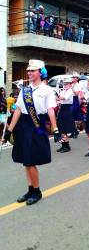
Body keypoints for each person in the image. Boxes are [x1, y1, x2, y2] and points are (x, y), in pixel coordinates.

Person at [1, 60, 61, 205]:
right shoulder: (25, 90)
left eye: (33, 70)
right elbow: (18, 110)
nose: (29, 72)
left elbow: (50, 110)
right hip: (23, 126)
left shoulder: (47, 90)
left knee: (31, 161)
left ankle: (37, 191)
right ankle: (30, 189)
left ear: (40, 72)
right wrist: (9, 131)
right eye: (28, 70)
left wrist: (55, 129)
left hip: (37, 126)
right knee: (25, 161)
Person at [56, 77, 74, 153]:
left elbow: (63, 98)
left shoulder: (70, 91)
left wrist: (57, 97)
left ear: (70, 84)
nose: (65, 85)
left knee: (65, 128)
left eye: (67, 84)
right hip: (62, 109)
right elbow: (59, 99)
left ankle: (66, 146)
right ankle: (63, 145)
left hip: (67, 109)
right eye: (64, 84)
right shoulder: (63, 91)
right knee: (61, 127)